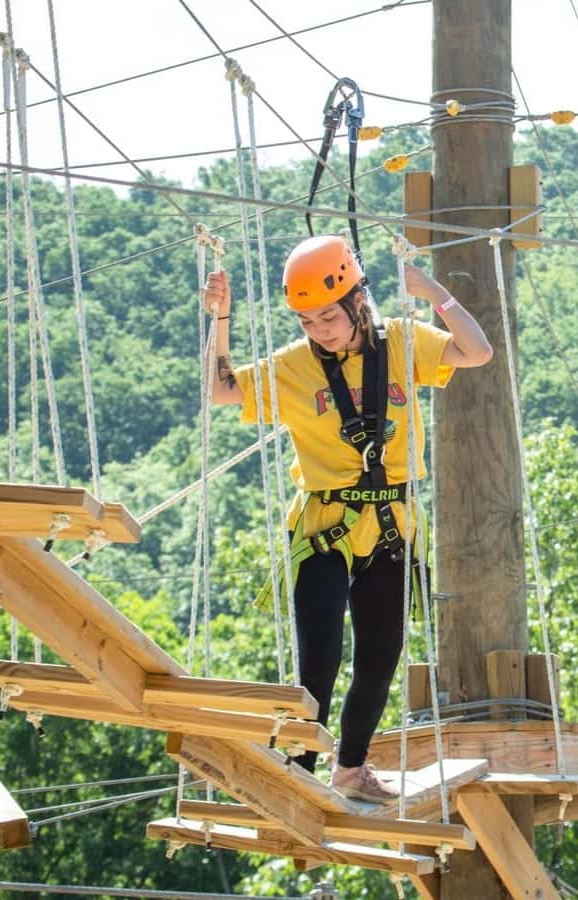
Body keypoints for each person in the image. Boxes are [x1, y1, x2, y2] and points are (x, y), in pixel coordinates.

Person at [202, 234, 493, 802]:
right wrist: (221, 317)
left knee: (380, 656)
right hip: (323, 528)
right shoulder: (293, 366)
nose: (320, 330)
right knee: (320, 658)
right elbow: (219, 390)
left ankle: (351, 768)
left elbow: (477, 351)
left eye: (329, 316)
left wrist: (432, 290)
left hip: (390, 525)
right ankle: (300, 768)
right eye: (308, 321)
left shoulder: (406, 344)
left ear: (359, 300)